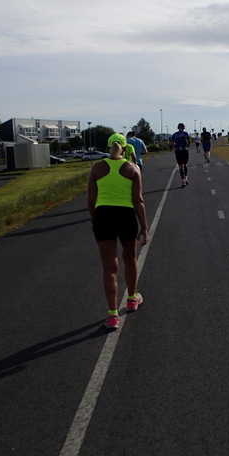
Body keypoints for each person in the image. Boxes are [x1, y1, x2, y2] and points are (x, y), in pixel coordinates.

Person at [87, 133, 148, 329]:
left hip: (103, 215)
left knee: (109, 267)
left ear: (107, 147)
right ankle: (131, 298)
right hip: (126, 215)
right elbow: (138, 201)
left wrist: (95, 219)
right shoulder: (133, 168)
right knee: (129, 258)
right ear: (125, 148)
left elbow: (91, 200)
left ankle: (112, 314)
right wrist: (144, 228)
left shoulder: (97, 167)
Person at [171, 122, 191, 187]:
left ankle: (184, 179)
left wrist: (174, 148)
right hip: (185, 150)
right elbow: (189, 140)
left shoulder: (174, 134)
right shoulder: (185, 133)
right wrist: (187, 146)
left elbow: (172, 143)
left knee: (181, 165)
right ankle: (185, 178)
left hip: (178, 151)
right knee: (185, 165)